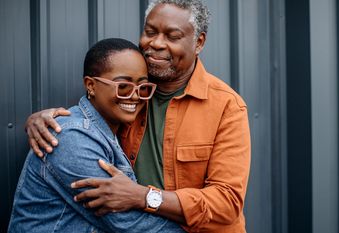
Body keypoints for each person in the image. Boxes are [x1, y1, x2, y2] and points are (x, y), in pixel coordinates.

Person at [25, 0, 251, 232]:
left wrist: (145, 196)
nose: (156, 43)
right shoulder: (132, 93)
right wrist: (45, 119)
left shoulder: (226, 106)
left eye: (172, 36)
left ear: (199, 42)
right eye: (150, 32)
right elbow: (89, 118)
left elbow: (227, 202)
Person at [9, 38, 184, 233]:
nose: (135, 96)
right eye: (123, 86)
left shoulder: (114, 129)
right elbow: (127, 222)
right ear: (91, 85)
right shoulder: (70, 137)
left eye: (142, 87)